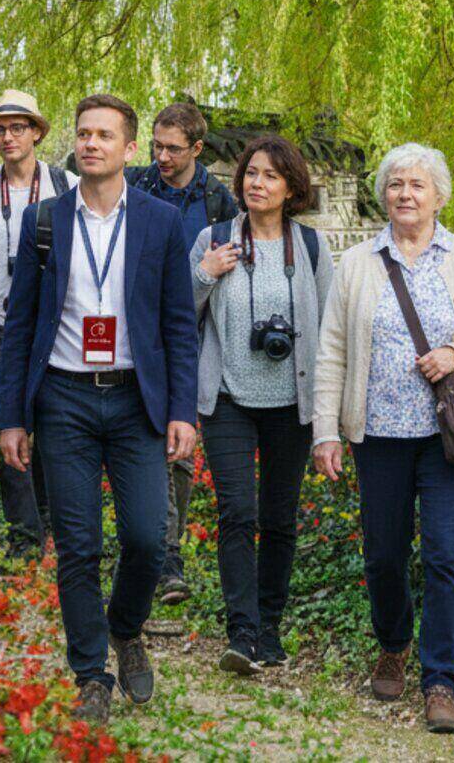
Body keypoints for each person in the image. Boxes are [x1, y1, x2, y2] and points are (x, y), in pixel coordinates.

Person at [0, 94, 199, 724]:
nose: (91, 144)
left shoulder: (161, 223)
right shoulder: (45, 222)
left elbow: (177, 325)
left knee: (146, 536)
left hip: (137, 398)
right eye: (83, 134)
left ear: (129, 149)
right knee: (78, 545)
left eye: (105, 135)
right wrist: (11, 417)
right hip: (64, 400)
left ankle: (125, 627)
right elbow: (19, 323)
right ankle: (90, 674)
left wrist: (182, 411)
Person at [311, 143, 454, 734]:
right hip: (377, 434)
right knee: (383, 554)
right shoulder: (356, 263)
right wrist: (326, 430)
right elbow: (332, 352)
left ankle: (441, 680)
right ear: (385, 194)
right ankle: (393, 643)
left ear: (439, 195)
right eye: (396, 184)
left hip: (448, 437)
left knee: (447, 556)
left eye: (417, 185)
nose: (405, 194)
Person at [189, 134, 332, 674]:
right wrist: (206, 273)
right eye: (251, 172)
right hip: (226, 396)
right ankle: (241, 631)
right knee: (237, 511)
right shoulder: (214, 236)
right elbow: (179, 309)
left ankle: (269, 625)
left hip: (291, 404)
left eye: (271, 175)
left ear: (291, 187)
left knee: (278, 519)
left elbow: (328, 330)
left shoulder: (312, 248)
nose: (257, 183)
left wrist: (326, 413)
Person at [0, 89, 76, 558]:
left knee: (56, 427)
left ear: (37, 133)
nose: (8, 137)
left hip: (55, 324)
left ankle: (52, 523)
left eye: (18, 128)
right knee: (10, 426)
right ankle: (23, 537)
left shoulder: (65, 185)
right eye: (1, 129)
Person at [127, 100, 238, 605]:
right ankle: (158, 551)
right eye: (156, 146)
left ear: (197, 149)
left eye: (173, 148)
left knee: (180, 448)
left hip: (194, 340)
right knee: (148, 442)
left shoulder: (220, 204)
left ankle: (167, 551)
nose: (162, 156)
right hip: (140, 336)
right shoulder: (136, 188)